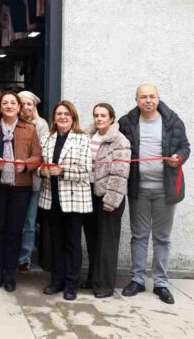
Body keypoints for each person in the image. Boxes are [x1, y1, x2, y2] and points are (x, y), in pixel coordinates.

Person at [119, 84, 190, 305]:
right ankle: (137, 280)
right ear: (137, 100)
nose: (148, 100)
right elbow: (112, 140)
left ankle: (160, 283)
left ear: (158, 98)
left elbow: (185, 147)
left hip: (165, 189)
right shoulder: (127, 122)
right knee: (139, 236)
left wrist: (179, 158)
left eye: (152, 96)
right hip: (138, 188)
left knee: (162, 238)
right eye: (143, 97)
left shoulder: (173, 121)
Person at [0, 91, 41, 291]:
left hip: (21, 187)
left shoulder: (29, 129)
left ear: (19, 107)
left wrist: (25, 165)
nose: (9, 106)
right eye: (5, 103)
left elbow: (38, 156)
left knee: (15, 231)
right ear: (0, 108)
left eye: (13, 103)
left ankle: (10, 273)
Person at [38, 100, 91, 301]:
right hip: (51, 198)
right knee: (55, 243)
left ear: (73, 117)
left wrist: (62, 171)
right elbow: (38, 165)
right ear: (54, 117)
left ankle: (71, 284)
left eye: (66, 114)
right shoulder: (47, 138)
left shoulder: (82, 139)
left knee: (72, 243)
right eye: (59, 114)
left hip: (74, 200)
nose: (62, 117)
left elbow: (86, 171)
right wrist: (41, 171)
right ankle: (56, 281)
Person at [81, 103, 130, 298]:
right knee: (92, 239)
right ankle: (93, 278)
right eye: (96, 115)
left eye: (103, 115)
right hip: (89, 194)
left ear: (111, 118)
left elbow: (120, 172)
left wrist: (111, 199)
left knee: (107, 242)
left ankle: (104, 285)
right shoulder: (87, 136)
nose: (99, 119)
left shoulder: (119, 140)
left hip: (108, 196)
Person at [17, 90, 50, 272]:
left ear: (34, 106)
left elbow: (43, 152)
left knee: (29, 222)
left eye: (29, 104)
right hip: (14, 179)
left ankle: (24, 258)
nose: (26, 107)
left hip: (33, 181)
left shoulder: (42, 125)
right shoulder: (12, 121)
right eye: (22, 104)